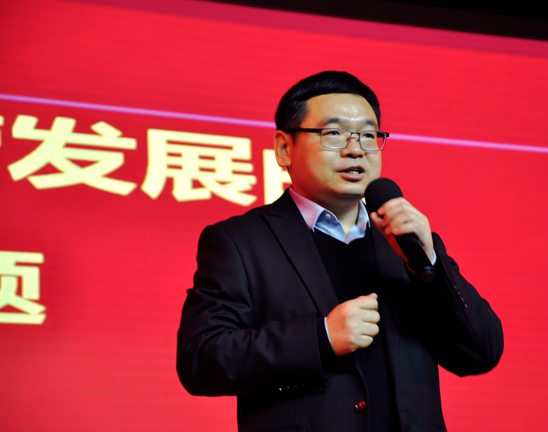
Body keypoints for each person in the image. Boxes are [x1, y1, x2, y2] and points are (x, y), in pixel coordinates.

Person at [177, 71, 504, 432]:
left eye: (368, 135)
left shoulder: (405, 241)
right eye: (333, 133)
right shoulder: (240, 241)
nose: (355, 149)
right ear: (284, 148)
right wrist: (322, 338)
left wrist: (431, 267)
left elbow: (481, 352)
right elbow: (201, 358)